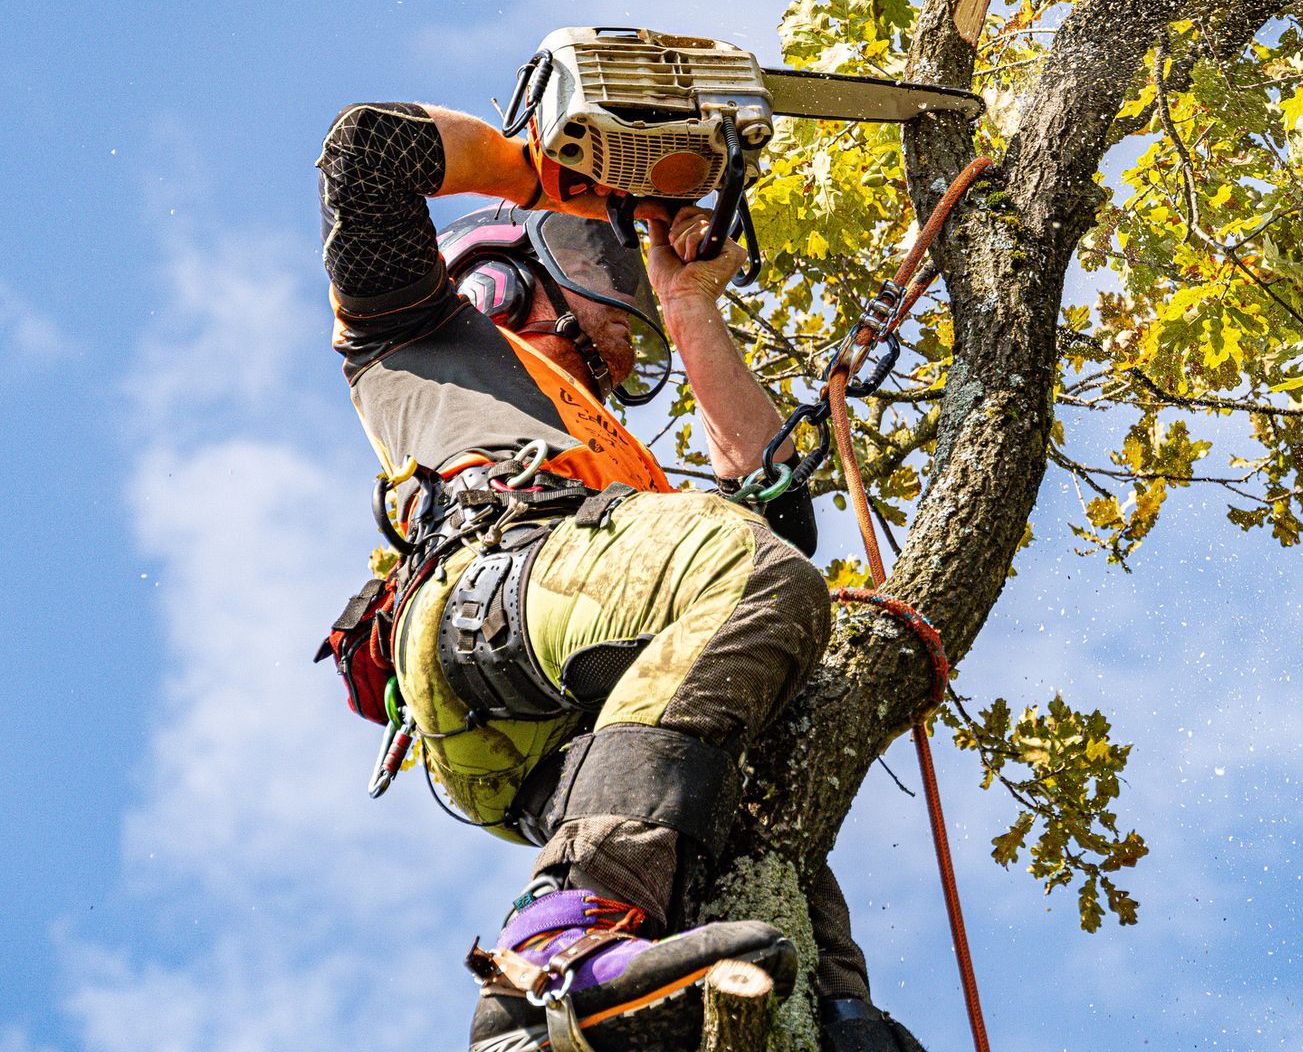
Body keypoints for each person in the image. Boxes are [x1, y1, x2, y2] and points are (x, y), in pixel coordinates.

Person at [316, 101, 920, 1052]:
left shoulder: (620, 467)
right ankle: (552, 949)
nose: (631, 325)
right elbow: (369, 153)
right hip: (495, 597)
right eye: (607, 277)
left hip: (554, 736)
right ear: (504, 282)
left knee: (775, 738)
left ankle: (830, 1019)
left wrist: (693, 310)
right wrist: (553, 175)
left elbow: (778, 516)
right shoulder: (422, 341)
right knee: (747, 574)